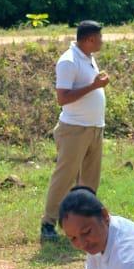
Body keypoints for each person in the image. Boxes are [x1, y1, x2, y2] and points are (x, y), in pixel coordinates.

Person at [41, 20, 108, 243]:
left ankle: (88, 222)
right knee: (65, 177)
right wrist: (94, 87)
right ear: (89, 39)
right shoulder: (68, 62)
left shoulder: (88, 58)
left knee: (89, 180)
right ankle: (48, 223)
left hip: (94, 128)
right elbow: (63, 98)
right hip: (74, 129)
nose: (102, 41)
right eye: (99, 37)